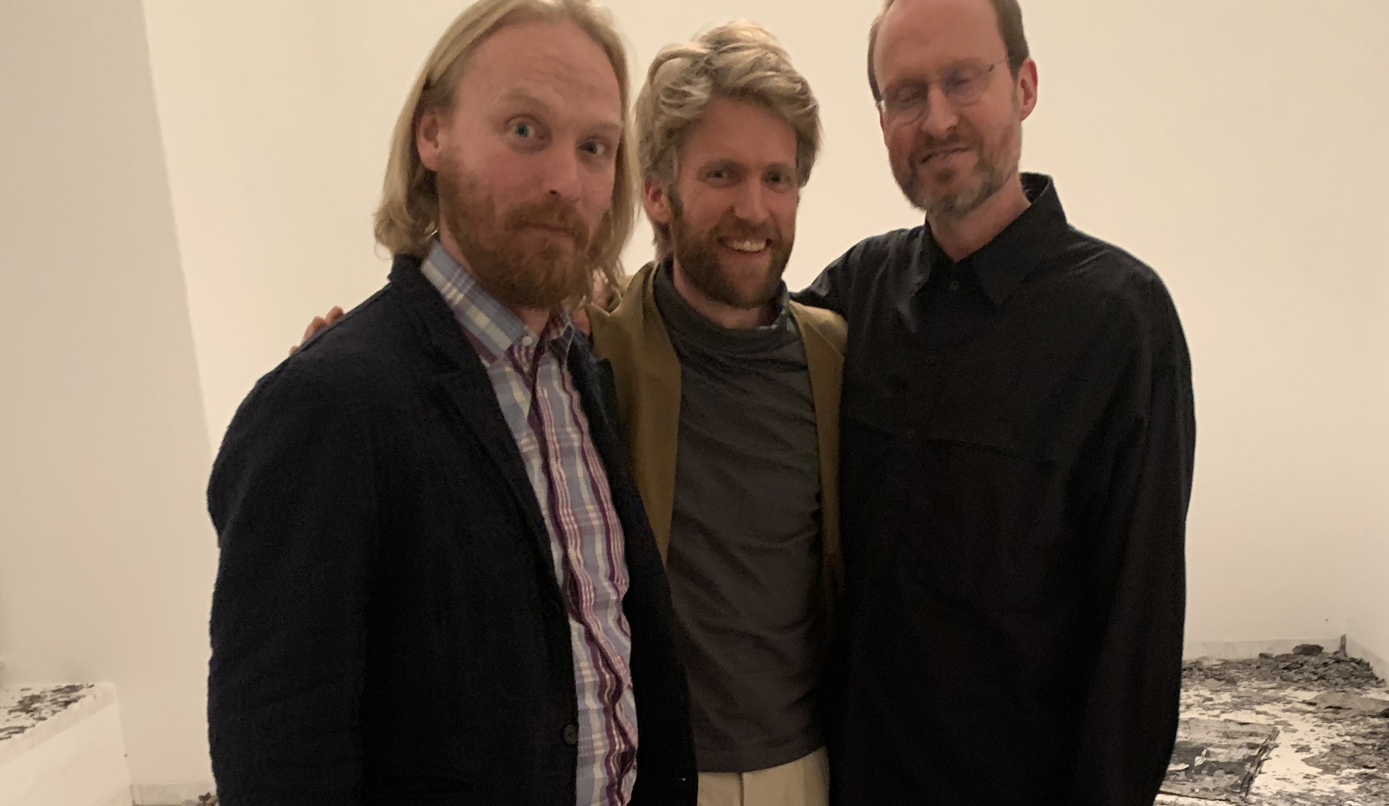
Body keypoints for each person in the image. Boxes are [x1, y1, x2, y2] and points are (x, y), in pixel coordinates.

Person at [206, 1, 695, 803]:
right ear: (432, 134)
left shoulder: (575, 375)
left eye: (594, 147)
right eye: (525, 130)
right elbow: (280, 760)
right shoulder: (326, 408)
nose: (564, 181)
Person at [793, 0, 1197, 804]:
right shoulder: (856, 294)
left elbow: (1137, 638)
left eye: (962, 79)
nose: (937, 118)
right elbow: (730, 358)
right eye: (906, 94)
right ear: (882, 120)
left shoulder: (1120, 321)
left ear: (1025, 85)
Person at [590, 22, 845, 806]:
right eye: (723, 174)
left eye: (777, 178)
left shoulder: (835, 358)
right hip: (649, 773)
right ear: (657, 193)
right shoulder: (597, 348)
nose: (754, 209)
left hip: (808, 771)